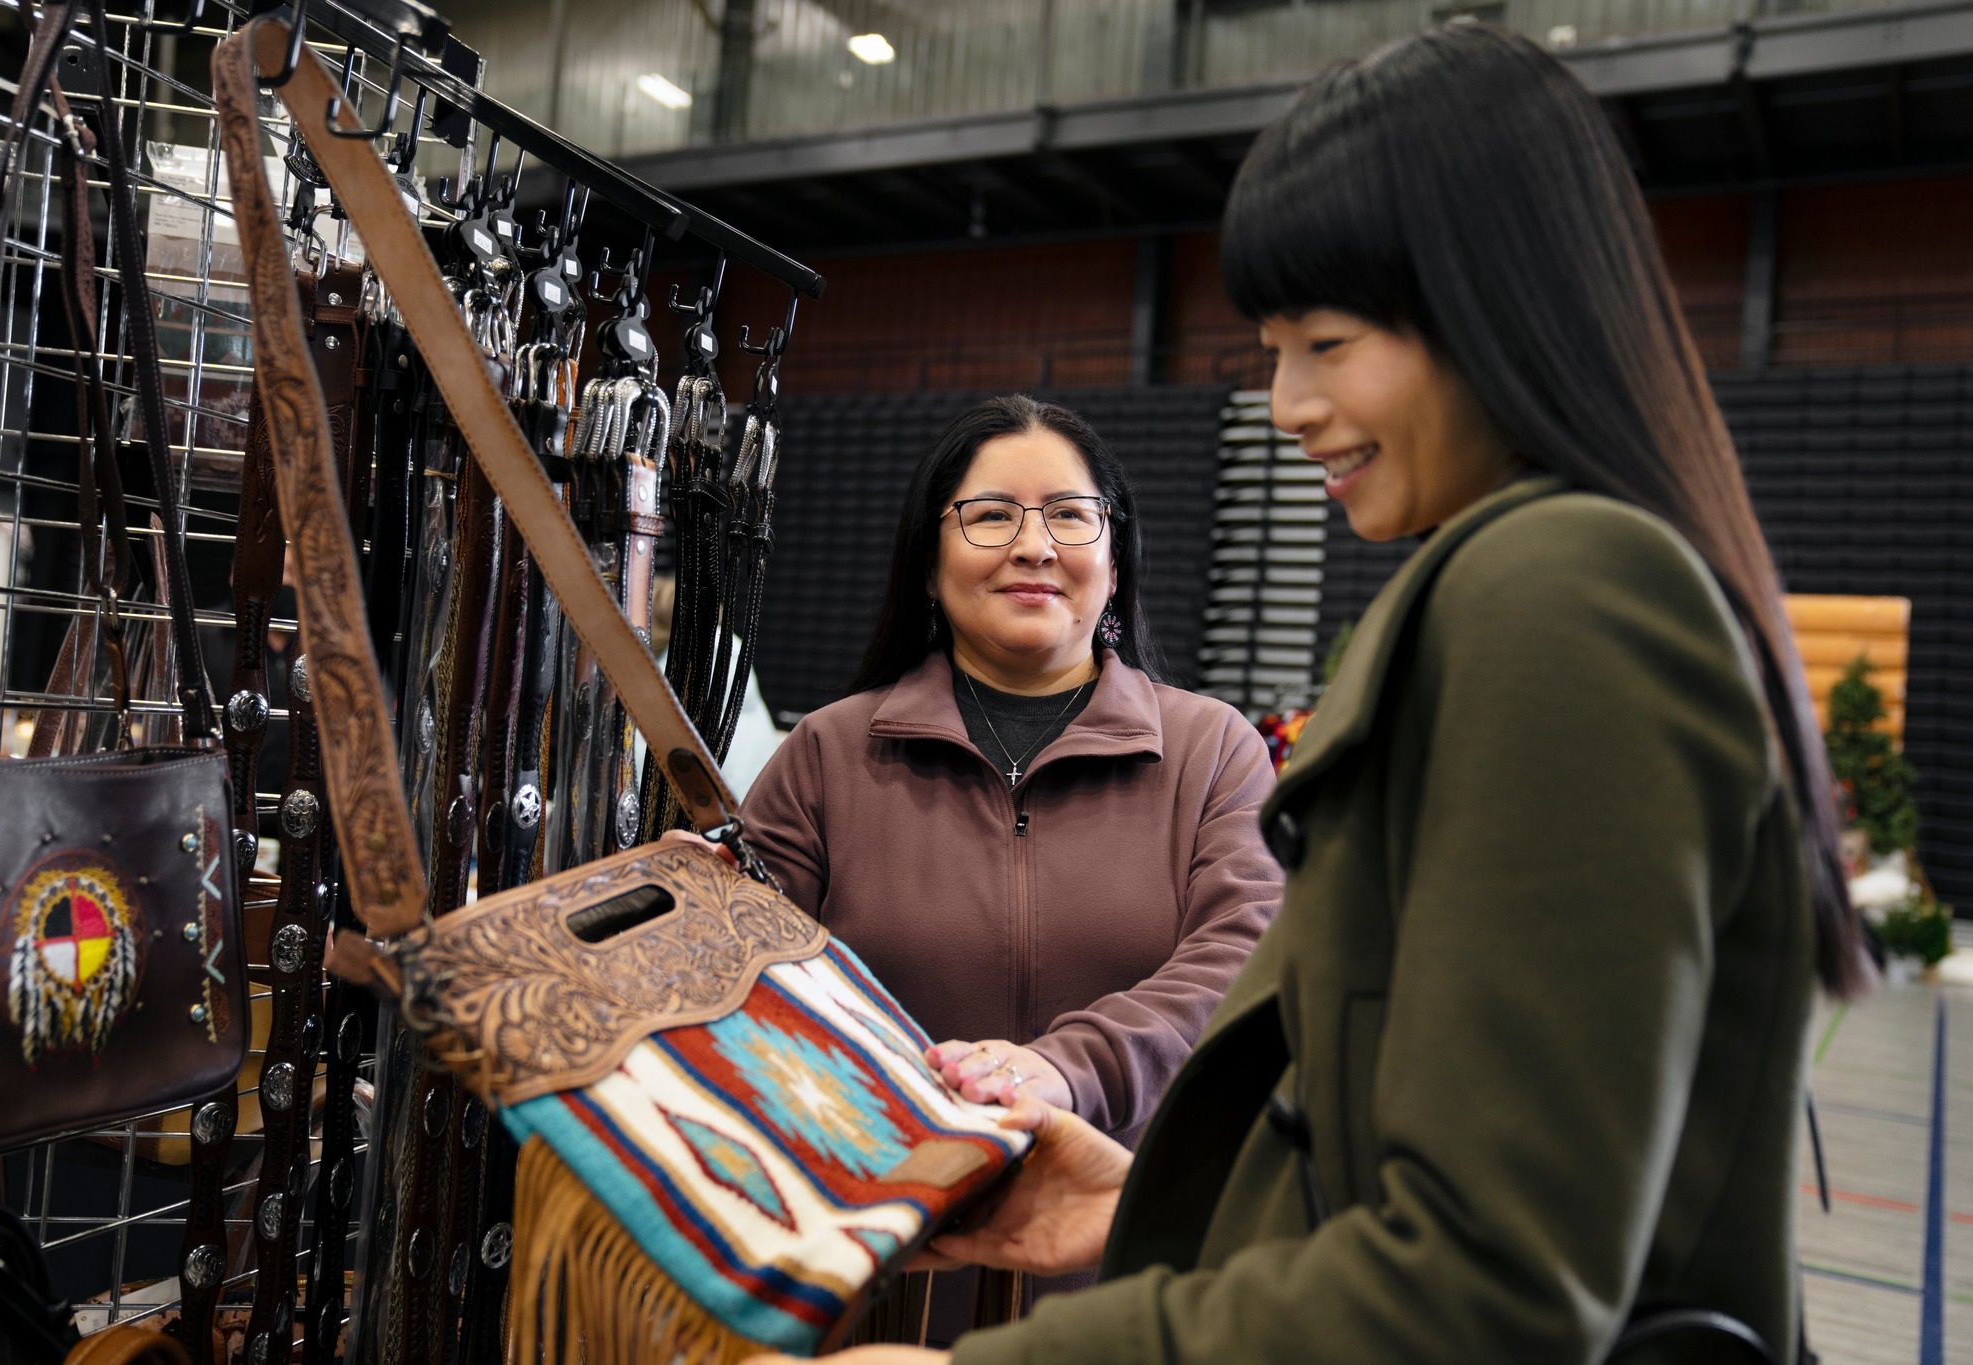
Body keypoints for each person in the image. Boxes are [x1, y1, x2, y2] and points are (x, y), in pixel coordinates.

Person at [751, 23, 1871, 1365]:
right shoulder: (1505, 582)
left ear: (1497, 305)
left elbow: (1491, 1287)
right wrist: (1143, 1201)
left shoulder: (1563, 590)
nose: (1286, 405)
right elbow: (1410, 1154)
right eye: (1275, 349)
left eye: (1329, 343)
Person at [737, 394, 1282, 1337]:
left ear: (1116, 559)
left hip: (1133, 1288)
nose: (1034, 546)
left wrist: (1060, 1072)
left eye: (1069, 515)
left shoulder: (1212, 751)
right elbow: (744, 984)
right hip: (871, 1284)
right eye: (991, 514)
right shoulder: (828, 754)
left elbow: (1244, 962)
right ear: (927, 557)